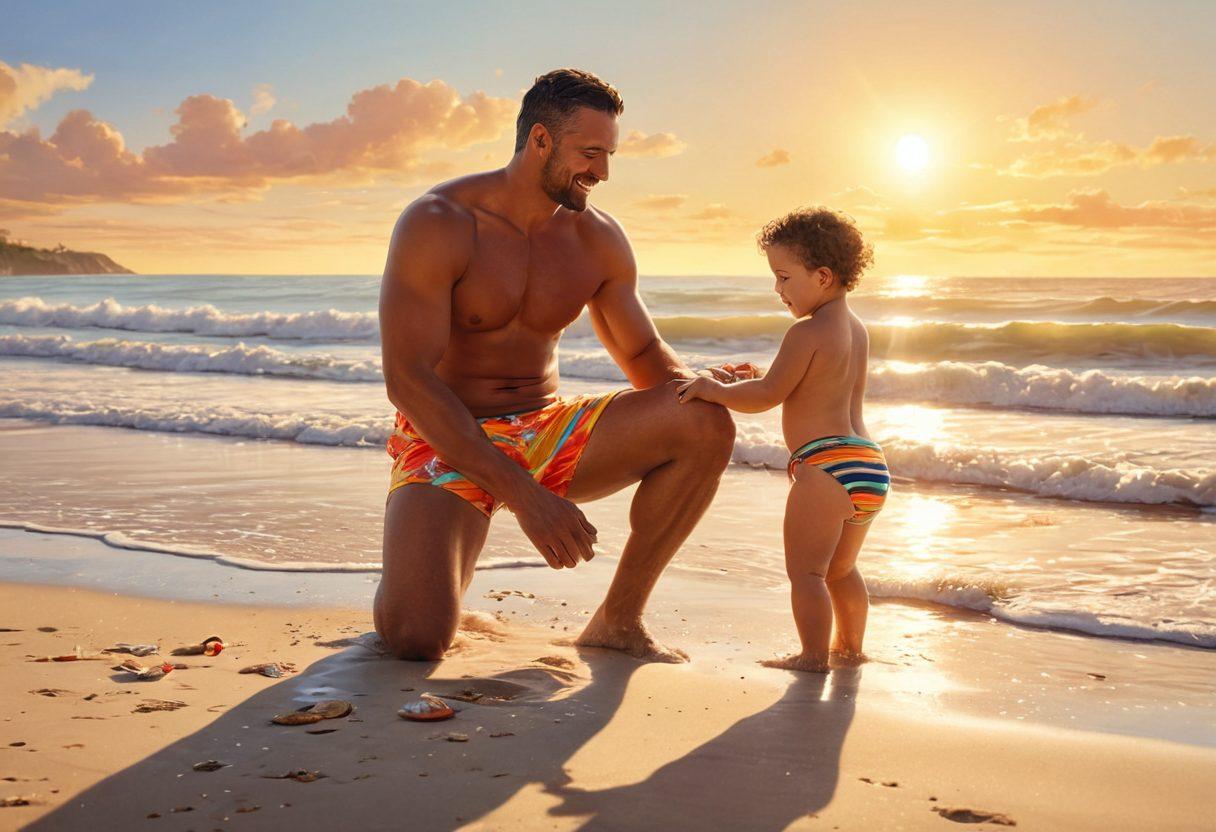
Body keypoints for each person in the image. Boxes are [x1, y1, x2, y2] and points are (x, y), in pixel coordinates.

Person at [375, 69, 737, 663]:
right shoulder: (440, 221)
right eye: (590, 153)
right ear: (540, 140)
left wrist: (699, 386)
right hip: (447, 436)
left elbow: (642, 355)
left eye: (609, 154)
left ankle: (618, 620)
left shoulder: (598, 239)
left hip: (546, 431)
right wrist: (522, 494)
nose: (603, 172)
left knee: (702, 421)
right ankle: (427, 553)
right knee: (417, 638)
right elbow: (407, 379)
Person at [676, 208, 887, 672]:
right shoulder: (856, 329)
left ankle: (813, 656)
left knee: (807, 573)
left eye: (784, 277)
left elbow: (769, 396)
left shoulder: (805, 330)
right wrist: (758, 376)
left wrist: (717, 390)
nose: (778, 289)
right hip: (868, 464)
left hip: (825, 469)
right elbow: (817, 385)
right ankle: (850, 649)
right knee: (841, 570)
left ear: (824, 276)